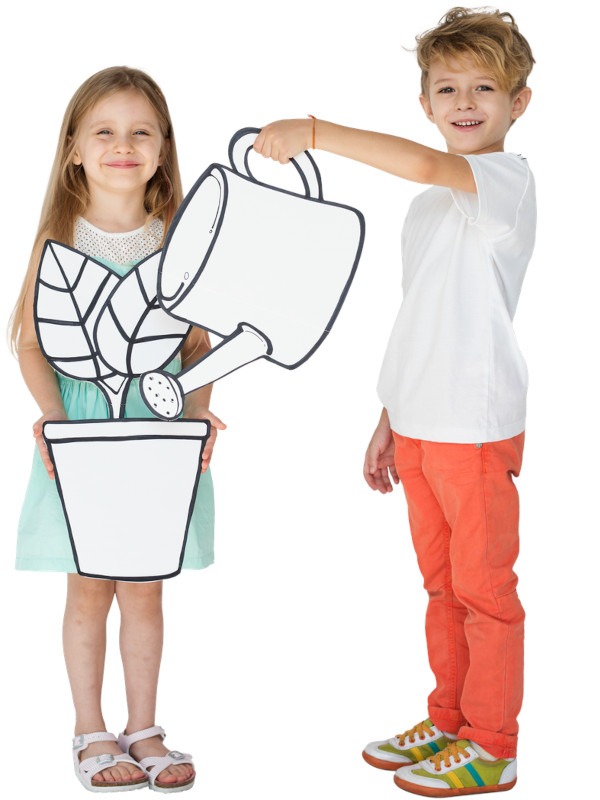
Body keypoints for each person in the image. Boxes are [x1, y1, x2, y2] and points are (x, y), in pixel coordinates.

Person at [253, 7, 535, 796]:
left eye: (485, 86)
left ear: (520, 102)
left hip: (473, 429)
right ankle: (448, 722)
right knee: (443, 590)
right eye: (447, 88)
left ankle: (492, 743)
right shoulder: (426, 212)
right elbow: (421, 317)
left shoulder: (505, 182)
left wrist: (313, 129)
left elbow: (419, 165)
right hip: (419, 423)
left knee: (485, 593)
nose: (465, 101)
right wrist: (387, 417)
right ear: (425, 103)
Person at [11, 66, 225, 793]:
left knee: (143, 587)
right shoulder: (59, 243)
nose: (122, 145)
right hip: (82, 433)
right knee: (87, 586)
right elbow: (32, 342)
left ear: (163, 149)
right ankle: (89, 728)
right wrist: (53, 417)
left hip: (158, 433)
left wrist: (197, 416)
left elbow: (198, 345)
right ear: (73, 147)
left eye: (140, 131)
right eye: (103, 130)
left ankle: (144, 727)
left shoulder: (181, 241)